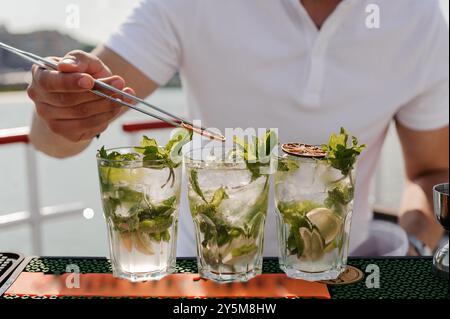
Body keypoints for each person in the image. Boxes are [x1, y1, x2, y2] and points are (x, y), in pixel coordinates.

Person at [27, 0, 449, 256]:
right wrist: (62, 105)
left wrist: (411, 248)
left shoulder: (420, 18)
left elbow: (432, 173)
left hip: (343, 271)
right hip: (204, 270)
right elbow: (53, 141)